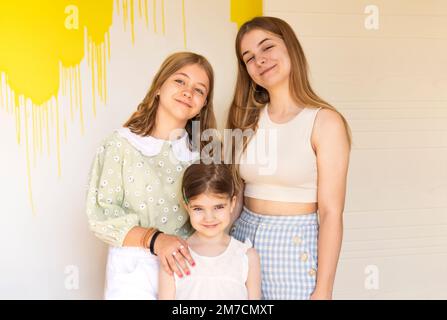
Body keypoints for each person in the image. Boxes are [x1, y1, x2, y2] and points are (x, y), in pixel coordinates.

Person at [226, 16, 351, 300]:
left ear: (290, 47)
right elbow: (238, 196)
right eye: (249, 58)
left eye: (267, 47)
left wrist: (324, 290)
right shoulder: (246, 120)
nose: (260, 60)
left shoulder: (325, 122)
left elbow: (331, 213)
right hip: (241, 242)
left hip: (294, 248)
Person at [85, 52, 217, 299]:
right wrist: (155, 239)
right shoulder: (120, 145)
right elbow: (100, 215)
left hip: (186, 270)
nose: (188, 92)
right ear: (159, 86)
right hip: (132, 272)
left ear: (203, 106)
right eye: (180, 81)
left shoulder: (202, 157)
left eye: (199, 90)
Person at [158, 163, 261, 300]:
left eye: (218, 207)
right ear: (187, 207)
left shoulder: (246, 256)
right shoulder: (175, 257)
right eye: (198, 209)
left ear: (232, 203)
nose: (209, 217)